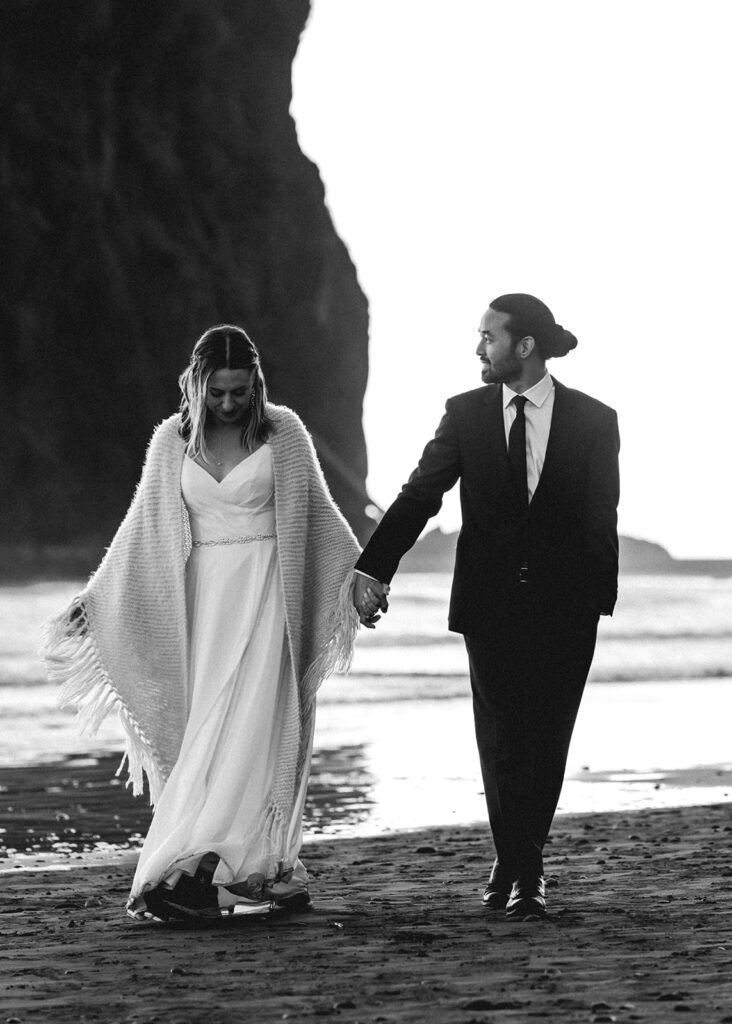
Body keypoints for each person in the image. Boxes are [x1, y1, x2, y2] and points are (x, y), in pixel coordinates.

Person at [44, 324, 360, 921]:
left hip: (270, 597)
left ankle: (243, 865)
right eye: (217, 392)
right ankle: (192, 863)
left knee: (256, 729)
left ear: (256, 384)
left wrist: (357, 580)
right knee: (204, 730)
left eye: (240, 391)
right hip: (203, 602)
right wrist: (97, 600)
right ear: (197, 383)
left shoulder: (284, 433)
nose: (229, 403)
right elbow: (141, 530)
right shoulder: (171, 441)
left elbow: (320, 515)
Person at [353, 294, 620, 921]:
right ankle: (527, 873)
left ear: (523, 346)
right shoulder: (466, 414)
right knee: (502, 737)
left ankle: (515, 860)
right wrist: (373, 566)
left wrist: (597, 602)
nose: (479, 348)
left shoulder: (593, 420)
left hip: (566, 606)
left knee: (547, 737)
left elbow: (599, 515)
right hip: (490, 602)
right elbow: (421, 494)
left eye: (488, 336)